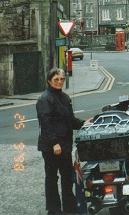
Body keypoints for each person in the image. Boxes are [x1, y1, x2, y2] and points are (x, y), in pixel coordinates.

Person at [36, 68, 92, 215]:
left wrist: (83, 123)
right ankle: (53, 210)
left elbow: (70, 120)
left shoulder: (65, 98)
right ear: (49, 81)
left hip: (65, 146)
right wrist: (54, 143)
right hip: (51, 147)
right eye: (56, 79)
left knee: (67, 177)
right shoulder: (45, 99)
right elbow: (46, 124)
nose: (59, 82)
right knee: (52, 178)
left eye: (61, 79)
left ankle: (69, 207)